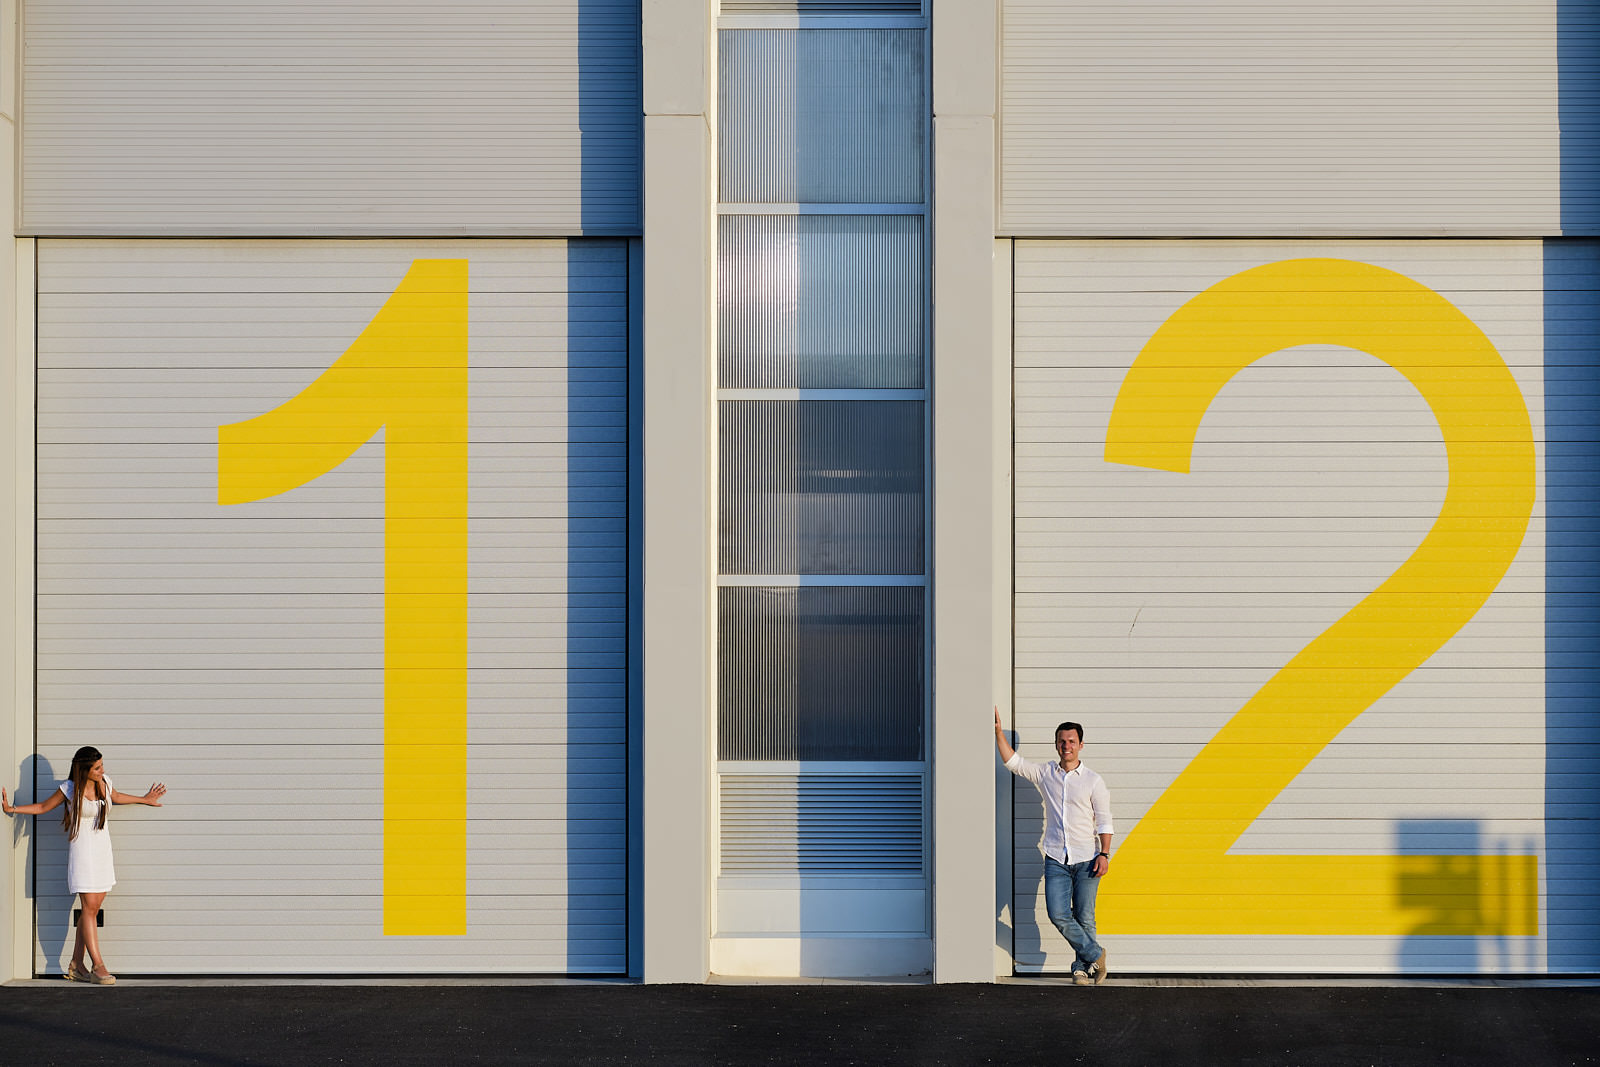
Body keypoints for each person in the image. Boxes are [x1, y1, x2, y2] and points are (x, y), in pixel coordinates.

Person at [2, 746, 166, 984]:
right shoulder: (69, 789)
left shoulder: (105, 783)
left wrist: (145, 799)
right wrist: (12, 809)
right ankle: (98, 966)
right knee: (89, 907)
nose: (102, 770)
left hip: (102, 852)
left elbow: (116, 797)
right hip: (82, 854)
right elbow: (42, 807)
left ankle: (77, 965)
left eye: (102, 766)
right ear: (84, 770)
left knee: (92, 909)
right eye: (97, 767)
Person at [995, 706, 1112, 986]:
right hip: (1056, 858)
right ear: (1056, 744)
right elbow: (1014, 763)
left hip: (1087, 857)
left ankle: (1080, 970)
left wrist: (1105, 854)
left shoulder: (1094, 781)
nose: (1066, 746)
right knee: (1058, 913)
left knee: (1085, 916)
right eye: (1062, 741)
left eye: (1072, 741)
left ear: (1081, 745)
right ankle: (1097, 954)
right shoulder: (1047, 773)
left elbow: (1105, 820)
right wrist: (998, 733)